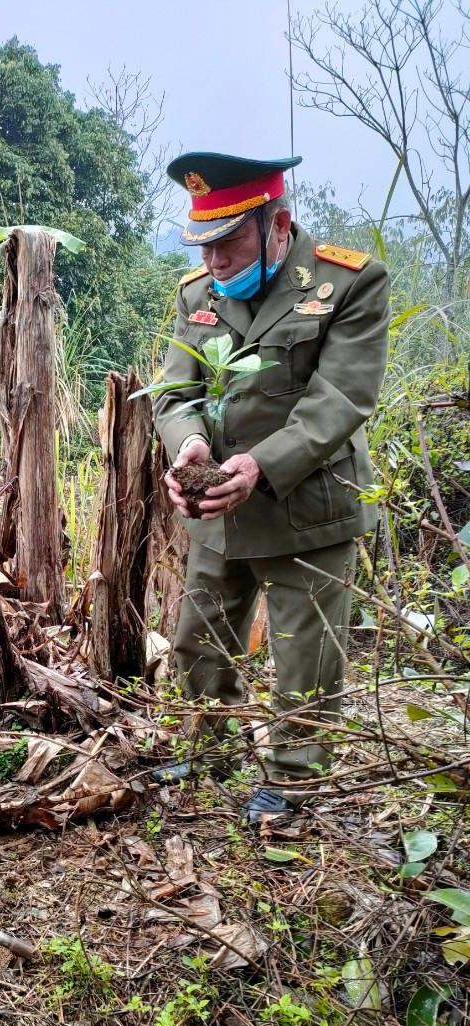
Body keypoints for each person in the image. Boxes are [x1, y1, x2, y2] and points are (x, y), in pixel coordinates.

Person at [152, 151, 390, 824]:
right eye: (204, 244)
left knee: (305, 656)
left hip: (305, 506)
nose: (216, 260)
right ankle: (207, 750)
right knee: (198, 640)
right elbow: (175, 393)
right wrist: (189, 444)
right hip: (216, 511)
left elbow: (340, 397)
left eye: (228, 241)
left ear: (277, 224)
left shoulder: (348, 283)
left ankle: (293, 780)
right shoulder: (197, 294)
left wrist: (258, 465)